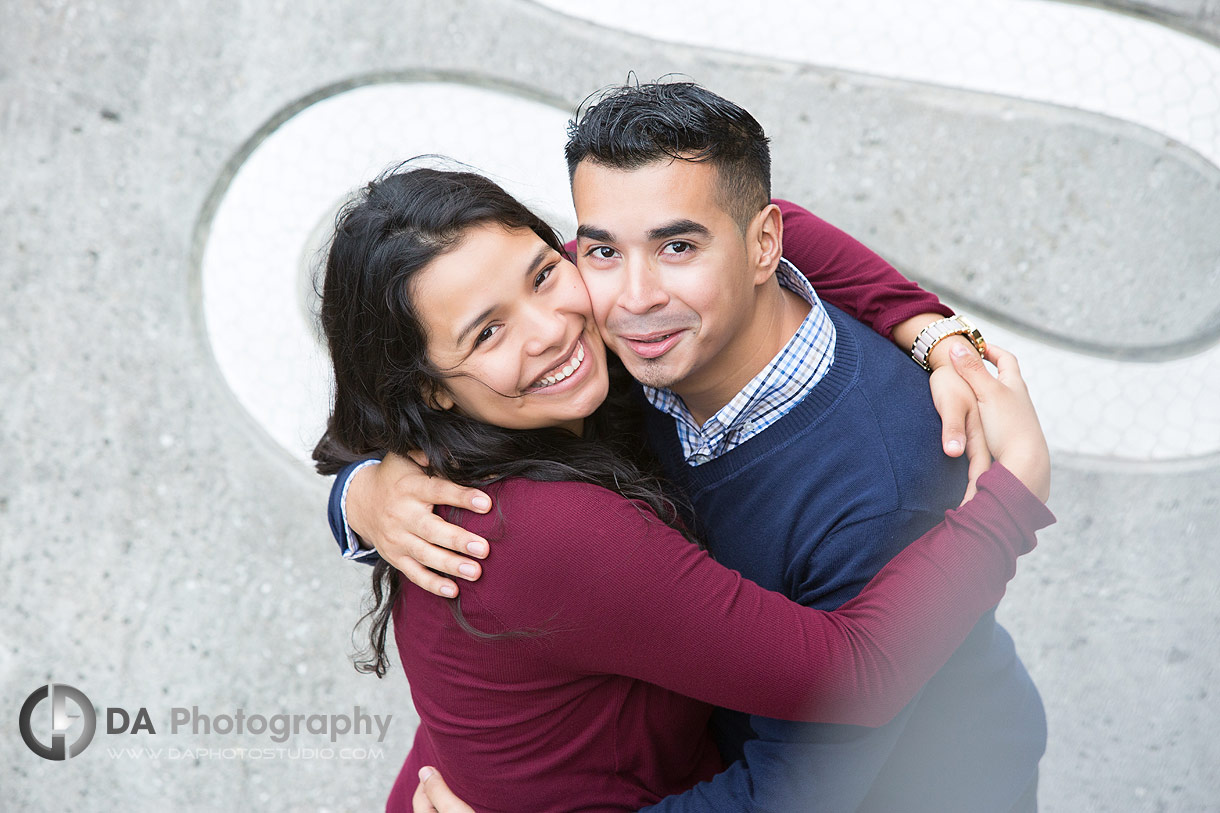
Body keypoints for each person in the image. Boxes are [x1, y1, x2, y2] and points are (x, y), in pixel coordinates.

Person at [337, 83, 1051, 812]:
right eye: (602, 250)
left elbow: (803, 774)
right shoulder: (589, 360)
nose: (628, 297)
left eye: (676, 247)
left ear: (759, 245)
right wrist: (361, 491)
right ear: (431, 390)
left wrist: (929, 333)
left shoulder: (883, 479)